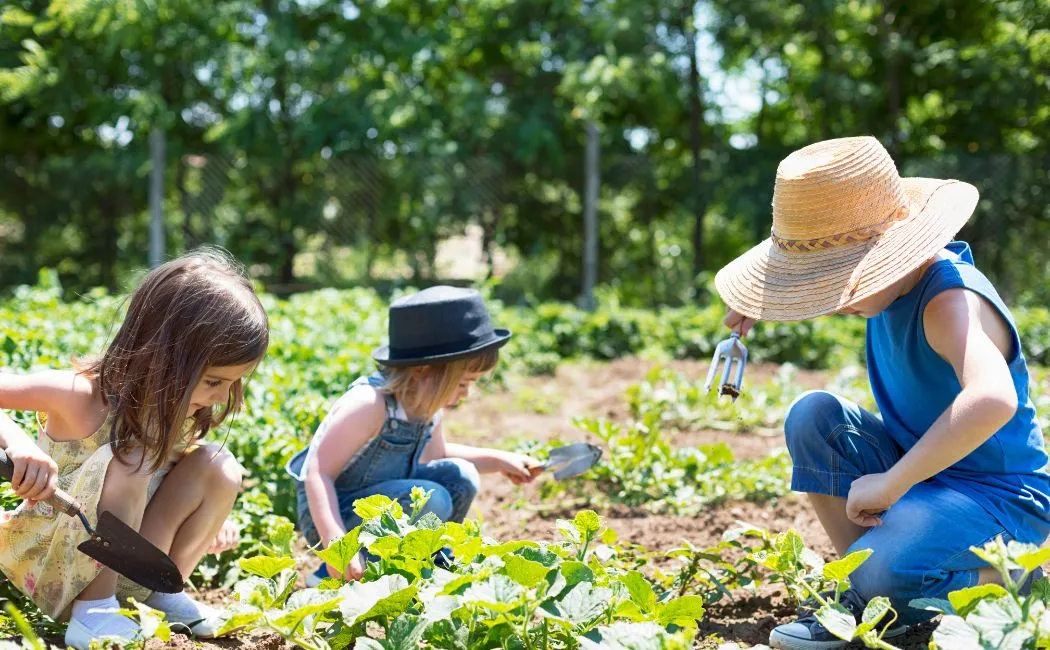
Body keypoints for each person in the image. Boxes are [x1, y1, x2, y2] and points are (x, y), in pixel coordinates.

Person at [714, 136, 1050, 650]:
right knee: (814, 415)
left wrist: (893, 482)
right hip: (932, 476)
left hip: (999, 499)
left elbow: (993, 398)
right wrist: (769, 300)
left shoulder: (948, 298)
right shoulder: (888, 288)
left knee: (889, 566)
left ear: (891, 254)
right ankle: (867, 598)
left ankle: (1017, 580)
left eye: (837, 281)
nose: (832, 298)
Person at [0, 249, 269, 649]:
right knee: (133, 456)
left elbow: (174, 481)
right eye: (214, 381)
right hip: (52, 556)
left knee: (219, 464)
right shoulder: (80, 396)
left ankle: (159, 596)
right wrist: (20, 445)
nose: (222, 397)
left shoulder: (169, 412)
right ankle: (95, 615)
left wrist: (209, 519)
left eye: (233, 383)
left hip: (124, 562)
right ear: (165, 358)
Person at [288, 285, 543, 585]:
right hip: (334, 515)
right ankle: (333, 573)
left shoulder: (428, 405)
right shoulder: (370, 404)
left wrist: (500, 460)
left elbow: (439, 456)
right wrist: (337, 546)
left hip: (384, 506)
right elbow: (317, 473)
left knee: (462, 476)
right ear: (424, 371)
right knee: (433, 498)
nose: (467, 394)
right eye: (462, 384)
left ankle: (424, 559)